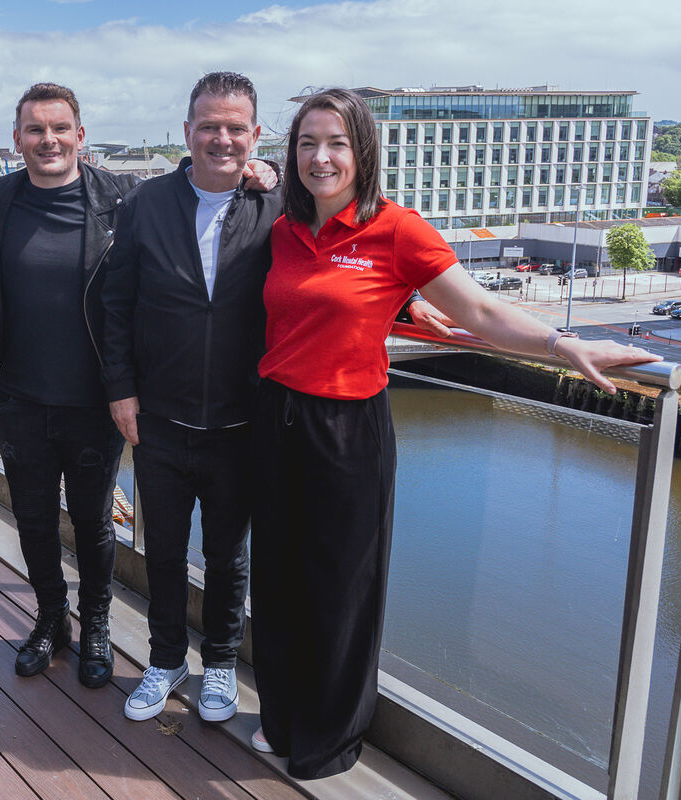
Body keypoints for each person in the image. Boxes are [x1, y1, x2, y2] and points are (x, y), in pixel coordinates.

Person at [249, 87, 658, 779]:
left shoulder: (399, 229)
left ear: (363, 152)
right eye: (307, 143)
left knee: (342, 586)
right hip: (277, 416)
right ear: (290, 154)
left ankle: (330, 736)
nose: (321, 157)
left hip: (349, 427)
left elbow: (482, 311)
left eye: (337, 143)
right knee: (281, 578)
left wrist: (563, 346)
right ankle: (282, 716)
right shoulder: (285, 228)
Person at [0, 83, 282, 688]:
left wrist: (258, 170)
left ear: (80, 137)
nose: (48, 140)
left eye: (60, 129)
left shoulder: (122, 199)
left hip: (98, 395)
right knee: (33, 520)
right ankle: (50, 620)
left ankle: (98, 624)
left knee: (91, 521)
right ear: (18, 140)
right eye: (35, 130)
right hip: (19, 393)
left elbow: (194, 188)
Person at [100, 72, 278, 723]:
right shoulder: (145, 204)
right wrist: (120, 390)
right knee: (164, 550)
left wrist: (278, 173)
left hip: (241, 423)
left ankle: (222, 664)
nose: (222, 138)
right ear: (187, 133)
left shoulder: (275, 205)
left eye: (236, 128)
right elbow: (116, 304)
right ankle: (167, 658)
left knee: (230, 556)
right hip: (162, 420)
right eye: (210, 126)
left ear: (255, 135)